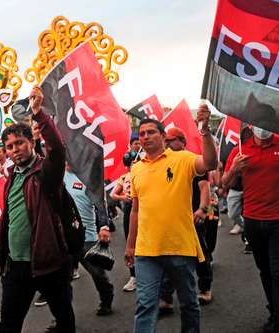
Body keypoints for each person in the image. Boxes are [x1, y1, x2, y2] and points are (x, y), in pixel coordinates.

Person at [0, 87, 76, 333]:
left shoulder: (47, 172)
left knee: (64, 318)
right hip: (16, 265)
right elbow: (10, 215)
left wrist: (38, 114)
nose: (15, 150)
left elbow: (57, 149)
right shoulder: (12, 176)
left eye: (20, 143)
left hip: (49, 263)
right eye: (10, 146)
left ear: (32, 143)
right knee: (8, 325)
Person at [125, 103, 218, 333]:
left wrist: (204, 131)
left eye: (151, 132)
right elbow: (135, 209)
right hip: (147, 251)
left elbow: (210, 163)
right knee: (145, 305)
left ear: (163, 137)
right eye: (142, 133)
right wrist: (130, 246)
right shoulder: (136, 169)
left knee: (188, 304)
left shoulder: (182, 159)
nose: (145, 137)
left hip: (179, 247)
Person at [221, 126, 279, 332]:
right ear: (251, 125)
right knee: (265, 270)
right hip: (252, 220)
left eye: (267, 122)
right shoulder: (240, 149)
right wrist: (234, 168)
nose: (263, 127)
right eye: (258, 122)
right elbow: (224, 184)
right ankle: (276, 313)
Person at [160, 127, 214, 309]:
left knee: (200, 253)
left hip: (193, 216)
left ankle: (205, 288)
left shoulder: (192, 161)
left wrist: (202, 209)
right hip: (170, 218)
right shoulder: (163, 162)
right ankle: (166, 297)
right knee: (168, 255)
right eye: (165, 140)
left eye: (171, 140)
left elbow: (204, 186)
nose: (167, 143)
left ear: (182, 142)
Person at [64, 164, 113, 315]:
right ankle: (62, 317)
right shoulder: (56, 175)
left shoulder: (89, 178)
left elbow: (100, 205)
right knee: (62, 281)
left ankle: (106, 299)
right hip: (64, 238)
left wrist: (104, 226)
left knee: (98, 274)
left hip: (87, 238)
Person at [111, 149, 139, 292]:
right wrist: (123, 198)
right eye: (129, 164)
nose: (132, 166)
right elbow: (113, 194)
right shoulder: (123, 177)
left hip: (144, 208)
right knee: (130, 239)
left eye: (134, 162)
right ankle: (133, 276)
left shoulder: (143, 173)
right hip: (129, 208)